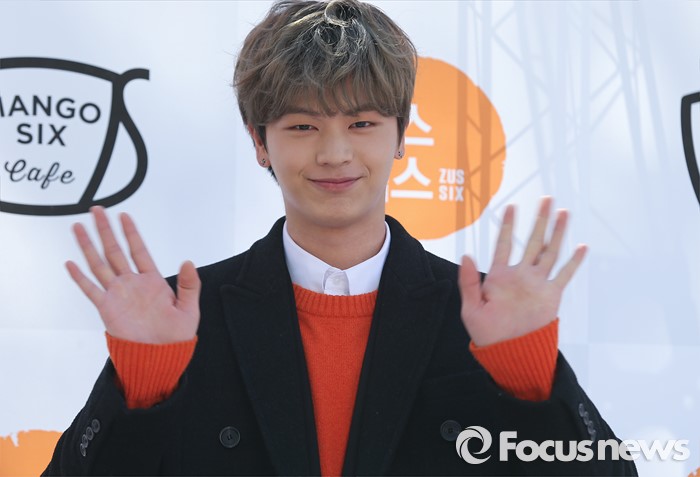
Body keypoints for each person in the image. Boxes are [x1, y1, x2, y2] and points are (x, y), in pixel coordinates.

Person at [44, 0, 637, 475]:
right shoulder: (185, 319)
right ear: (259, 142)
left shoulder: (482, 317)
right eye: (303, 125)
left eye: (362, 123)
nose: (334, 153)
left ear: (401, 135)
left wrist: (529, 375)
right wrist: (142, 380)